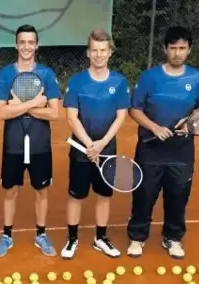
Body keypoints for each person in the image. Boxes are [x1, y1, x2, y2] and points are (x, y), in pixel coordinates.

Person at [126, 26, 199, 259]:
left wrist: (189, 124)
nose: (177, 53)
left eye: (182, 48)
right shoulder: (149, 77)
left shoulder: (197, 78)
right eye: (173, 48)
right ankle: (137, 237)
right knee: (144, 194)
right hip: (150, 149)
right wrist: (154, 127)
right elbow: (135, 109)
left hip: (181, 152)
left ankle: (172, 238)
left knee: (178, 196)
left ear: (189, 50)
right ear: (165, 49)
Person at [0, 24, 61, 258]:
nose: (26, 47)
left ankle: (41, 234)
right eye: (22, 42)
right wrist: (34, 103)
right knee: (10, 190)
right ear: (16, 45)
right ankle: (7, 235)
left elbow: (54, 113)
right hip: (14, 144)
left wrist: (18, 106)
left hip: (40, 143)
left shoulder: (47, 75)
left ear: (37, 45)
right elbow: (1, 113)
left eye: (31, 42)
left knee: (42, 191)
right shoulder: (5, 74)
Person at [61, 28, 129, 259]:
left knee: (104, 195)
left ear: (110, 52)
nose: (99, 55)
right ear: (88, 53)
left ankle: (101, 237)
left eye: (103, 50)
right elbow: (71, 116)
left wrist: (101, 145)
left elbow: (121, 116)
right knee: (76, 196)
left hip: (107, 150)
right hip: (82, 151)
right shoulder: (77, 81)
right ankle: (72, 240)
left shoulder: (119, 82)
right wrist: (90, 145)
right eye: (94, 50)